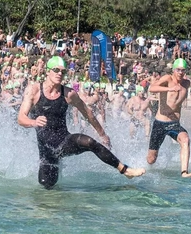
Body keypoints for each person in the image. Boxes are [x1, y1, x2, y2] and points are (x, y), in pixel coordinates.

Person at [17, 56, 144, 189]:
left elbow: (88, 114)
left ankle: (125, 170)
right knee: (47, 186)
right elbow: (21, 118)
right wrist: (33, 122)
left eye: (63, 71)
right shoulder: (34, 90)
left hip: (64, 142)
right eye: (56, 70)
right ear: (48, 71)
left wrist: (102, 134)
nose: (60, 74)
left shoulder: (69, 94)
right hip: (46, 151)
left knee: (89, 142)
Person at [146, 58, 191, 177]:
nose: (180, 72)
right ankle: (147, 170)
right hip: (160, 122)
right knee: (151, 159)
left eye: (183, 70)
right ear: (173, 70)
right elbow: (151, 88)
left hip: (174, 123)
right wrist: (170, 89)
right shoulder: (167, 79)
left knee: (185, 140)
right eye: (178, 70)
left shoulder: (186, 83)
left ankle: (184, 172)